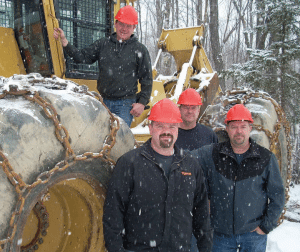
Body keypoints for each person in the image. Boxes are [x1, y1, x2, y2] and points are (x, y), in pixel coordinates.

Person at [103, 98, 213, 252]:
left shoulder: (191, 165)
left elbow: (201, 214)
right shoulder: (130, 163)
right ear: (150, 128)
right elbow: (113, 213)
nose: (166, 131)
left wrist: (205, 247)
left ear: (177, 129)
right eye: (160, 126)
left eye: (172, 126)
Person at [191, 104, 285, 252]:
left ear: (250, 128)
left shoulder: (265, 158)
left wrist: (265, 226)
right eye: (234, 126)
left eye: (243, 126)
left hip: (253, 235)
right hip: (220, 235)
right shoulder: (212, 154)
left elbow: (278, 196)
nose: (238, 131)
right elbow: (186, 158)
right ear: (227, 129)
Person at [53, 5, 152, 126]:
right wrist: (64, 41)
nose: (124, 29)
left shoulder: (140, 50)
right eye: (121, 24)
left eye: (128, 26)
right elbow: (82, 57)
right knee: (101, 139)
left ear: (134, 27)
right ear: (115, 24)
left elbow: (147, 78)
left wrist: (142, 103)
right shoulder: (103, 44)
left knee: (119, 140)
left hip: (125, 105)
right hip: (103, 101)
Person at [176, 88, 218, 252]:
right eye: (186, 107)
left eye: (193, 107)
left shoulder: (208, 135)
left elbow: (215, 170)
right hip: (175, 203)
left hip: (201, 204)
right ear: (179, 108)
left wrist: (210, 200)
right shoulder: (170, 133)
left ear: (199, 110)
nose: (189, 111)